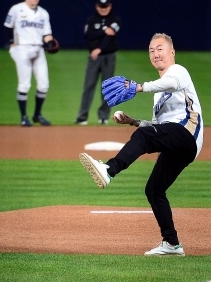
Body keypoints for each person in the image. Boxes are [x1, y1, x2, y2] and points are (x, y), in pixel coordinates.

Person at [79, 33, 203, 256]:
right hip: (178, 143)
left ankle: (109, 170)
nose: (155, 54)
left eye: (160, 49)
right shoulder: (158, 95)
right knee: (154, 189)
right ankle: (172, 243)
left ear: (171, 52)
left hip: (187, 133)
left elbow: (171, 84)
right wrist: (133, 122)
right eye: (151, 51)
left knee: (144, 136)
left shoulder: (178, 72)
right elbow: (158, 126)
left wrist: (138, 87)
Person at [4, 0, 55, 127]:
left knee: (44, 84)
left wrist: (50, 42)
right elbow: (8, 26)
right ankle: (23, 117)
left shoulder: (43, 13)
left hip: (38, 49)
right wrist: (11, 42)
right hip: (22, 49)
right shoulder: (17, 9)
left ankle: (37, 115)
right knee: (24, 84)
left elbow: (47, 34)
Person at [75, 0, 121, 125]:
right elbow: (89, 35)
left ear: (110, 6)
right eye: (101, 6)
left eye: (105, 6)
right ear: (96, 6)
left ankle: (103, 117)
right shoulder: (91, 20)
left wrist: (98, 49)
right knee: (88, 86)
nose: (103, 9)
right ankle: (82, 117)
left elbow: (109, 37)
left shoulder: (116, 20)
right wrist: (104, 30)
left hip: (108, 57)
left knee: (107, 88)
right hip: (93, 58)